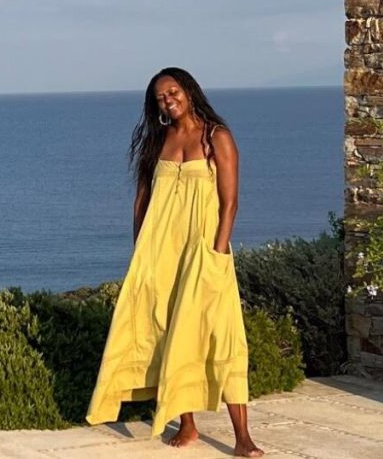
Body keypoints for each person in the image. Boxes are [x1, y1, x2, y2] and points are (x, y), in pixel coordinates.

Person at [86, 67, 263, 457]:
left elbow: (230, 202)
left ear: (189, 91)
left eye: (172, 92)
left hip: (205, 250)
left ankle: (243, 437)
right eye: (160, 98)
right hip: (159, 252)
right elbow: (141, 202)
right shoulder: (158, 141)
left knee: (222, 333)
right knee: (169, 331)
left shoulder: (217, 137)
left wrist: (217, 253)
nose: (168, 100)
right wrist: (141, 253)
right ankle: (187, 424)